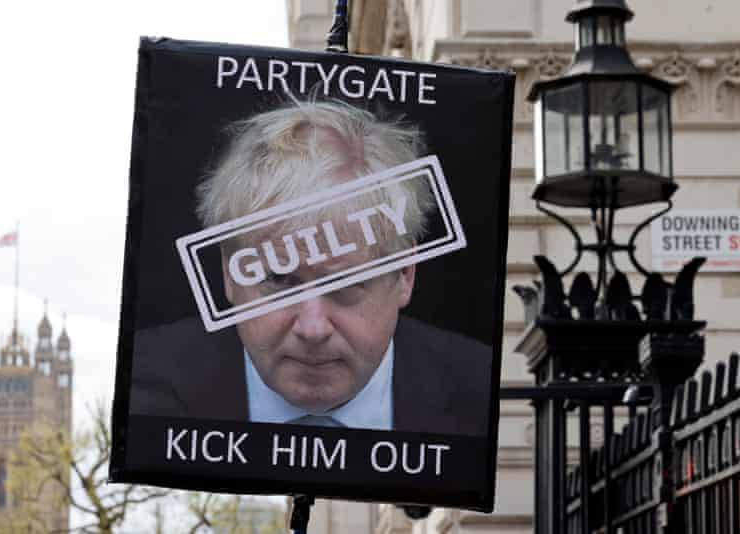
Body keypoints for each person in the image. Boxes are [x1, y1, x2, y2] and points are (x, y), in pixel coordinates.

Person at [129, 100, 492, 436]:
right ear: (229, 274)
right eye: (280, 281)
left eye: (347, 283)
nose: (313, 329)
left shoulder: (479, 393)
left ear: (405, 275)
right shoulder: (143, 389)